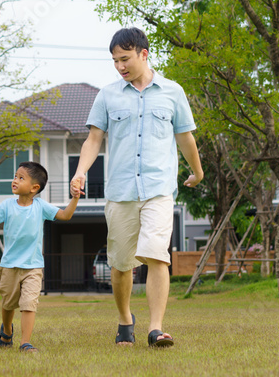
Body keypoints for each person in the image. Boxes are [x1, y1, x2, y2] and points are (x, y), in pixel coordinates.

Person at [70, 28, 204, 348]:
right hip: (120, 191)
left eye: (125, 59)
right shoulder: (107, 95)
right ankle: (125, 320)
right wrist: (80, 172)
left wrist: (197, 172)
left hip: (158, 188)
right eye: (115, 60)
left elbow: (185, 137)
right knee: (120, 264)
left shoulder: (172, 92)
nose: (120, 66)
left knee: (158, 256)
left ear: (144, 54)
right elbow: (93, 139)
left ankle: (156, 328)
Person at [0, 161, 80, 353]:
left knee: (28, 304)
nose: (14, 180)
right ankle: (7, 329)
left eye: (20, 177)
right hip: (9, 266)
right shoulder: (8, 205)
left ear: (34, 188)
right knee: (8, 304)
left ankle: (25, 342)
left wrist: (74, 198)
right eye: (15, 176)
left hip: (33, 266)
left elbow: (65, 215)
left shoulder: (41, 206)